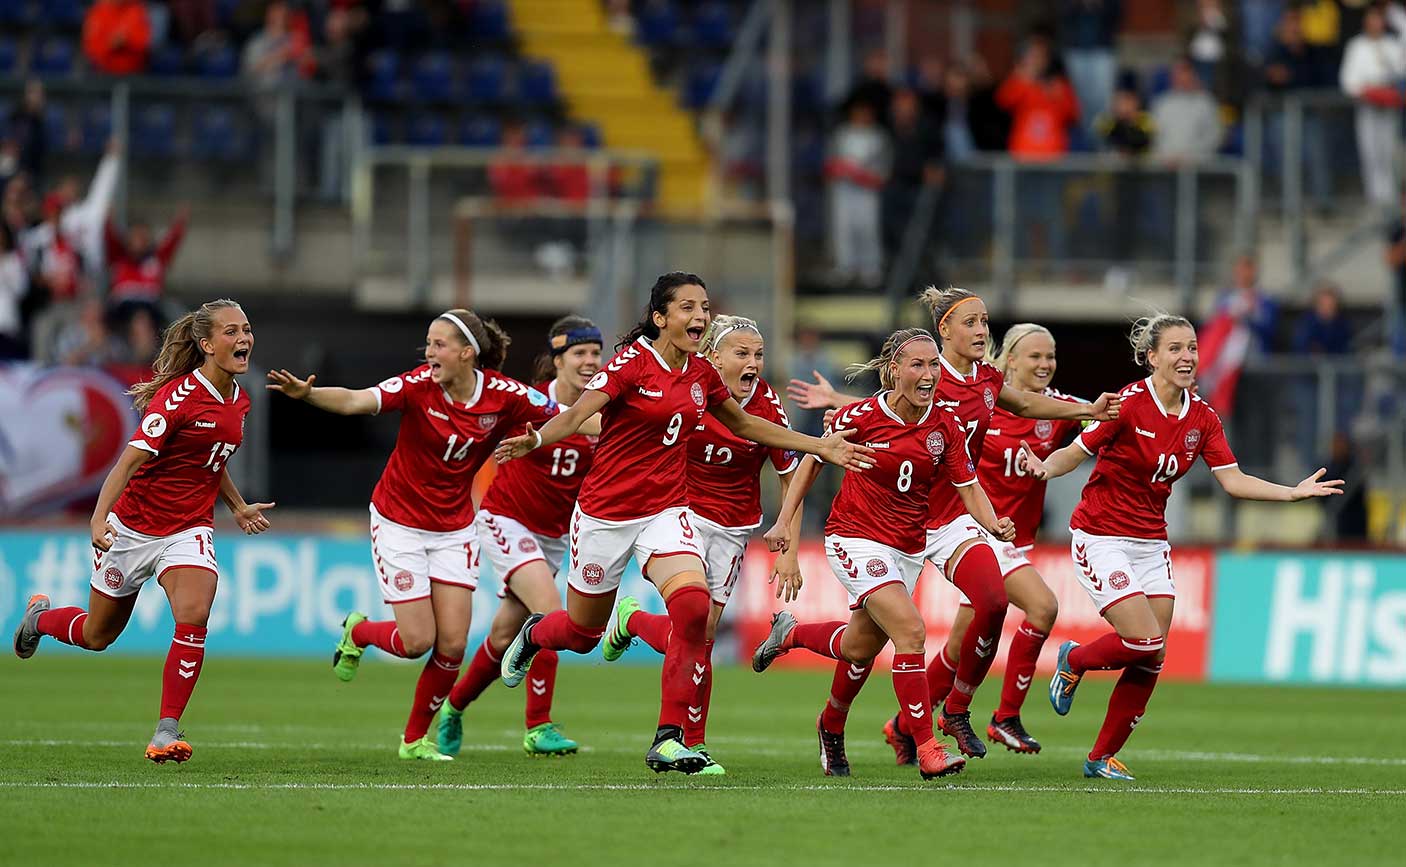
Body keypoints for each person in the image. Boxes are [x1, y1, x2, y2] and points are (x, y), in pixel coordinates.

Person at [491, 272, 872, 775]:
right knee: (583, 633)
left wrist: (817, 445)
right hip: (605, 515)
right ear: (661, 318)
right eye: (688, 308)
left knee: (694, 612)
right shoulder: (630, 366)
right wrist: (536, 440)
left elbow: (745, 424)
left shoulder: (702, 375)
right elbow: (580, 412)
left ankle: (669, 739)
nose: (699, 316)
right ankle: (538, 633)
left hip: (667, 512)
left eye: (704, 307)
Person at [787, 286, 1121, 761]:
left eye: (985, 322)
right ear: (944, 330)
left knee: (992, 600)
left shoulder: (986, 378)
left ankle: (957, 712)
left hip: (954, 517)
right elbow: (884, 409)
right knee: (864, 645)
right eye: (971, 323)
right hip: (891, 524)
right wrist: (837, 401)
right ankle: (846, 712)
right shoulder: (926, 372)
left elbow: (1023, 404)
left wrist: (1088, 409)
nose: (982, 331)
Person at [1021, 314, 1343, 780]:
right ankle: (1074, 658)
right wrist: (1044, 468)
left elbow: (1232, 480)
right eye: (1175, 349)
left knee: (1153, 655)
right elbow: (1077, 451)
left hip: (1151, 542)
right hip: (1102, 536)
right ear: (1152, 357)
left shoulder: (1202, 416)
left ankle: (1100, 757)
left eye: (1191, 348)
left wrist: (1291, 493)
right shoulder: (1127, 404)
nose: (1187, 357)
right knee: (1144, 639)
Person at [266, 308, 566, 761]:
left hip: (453, 528)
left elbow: (570, 415)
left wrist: (630, 428)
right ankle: (360, 632)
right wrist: (307, 395)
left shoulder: (504, 396)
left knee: (452, 644)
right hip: (399, 524)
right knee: (416, 642)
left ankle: (413, 741)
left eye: (439, 344)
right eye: (427, 343)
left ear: (468, 353)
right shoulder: (417, 386)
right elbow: (355, 401)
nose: (429, 352)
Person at [11, 299, 273, 764]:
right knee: (97, 635)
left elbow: (213, 458)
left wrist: (235, 507)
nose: (244, 338)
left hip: (188, 528)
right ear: (207, 344)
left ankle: (166, 729)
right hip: (131, 529)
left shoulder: (240, 399)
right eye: (232, 332)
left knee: (195, 611)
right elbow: (130, 459)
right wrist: (98, 518)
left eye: (247, 329)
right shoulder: (175, 397)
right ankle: (40, 618)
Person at [751, 328, 1014, 780]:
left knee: (858, 648)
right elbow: (812, 461)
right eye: (918, 365)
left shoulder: (944, 425)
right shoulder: (861, 416)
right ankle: (927, 747)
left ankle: (794, 646)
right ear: (894, 370)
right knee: (911, 632)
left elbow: (968, 487)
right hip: (855, 537)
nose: (929, 374)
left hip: (907, 548)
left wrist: (993, 524)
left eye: (934, 365)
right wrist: (784, 523)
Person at [598, 315, 803, 775]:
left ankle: (633, 621)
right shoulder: (689, 391)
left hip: (732, 528)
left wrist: (787, 541)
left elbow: (792, 476)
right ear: (713, 356)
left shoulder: (768, 404)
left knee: (700, 636)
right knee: (698, 630)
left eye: (758, 354)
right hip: (679, 513)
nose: (753, 363)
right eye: (742, 353)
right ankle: (691, 741)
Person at [435, 315, 603, 759]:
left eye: (595, 353)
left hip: (552, 537)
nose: (589, 362)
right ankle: (538, 725)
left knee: (503, 637)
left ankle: (453, 707)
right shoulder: (528, 404)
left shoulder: (601, 414)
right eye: (579, 353)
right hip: (505, 520)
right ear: (557, 360)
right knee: (550, 615)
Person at [933, 323, 1085, 754]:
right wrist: (839, 403)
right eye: (1035, 356)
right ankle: (1005, 717)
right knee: (1042, 607)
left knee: (959, 645)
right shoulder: (983, 399)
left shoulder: (1056, 407)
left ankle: (906, 726)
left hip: (1018, 538)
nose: (1045, 364)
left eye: (1050, 356)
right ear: (1011, 359)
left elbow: (1100, 420)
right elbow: (914, 409)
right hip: (978, 530)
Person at [1340, 2, 1406, 210]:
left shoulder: (1393, 45)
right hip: (1367, 106)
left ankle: (1392, 201)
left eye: (1378, 19)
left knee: (1390, 154)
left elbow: (1401, 73)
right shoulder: (1356, 45)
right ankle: (1376, 201)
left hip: (1390, 108)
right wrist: (1368, 92)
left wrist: (1389, 91)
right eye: (1371, 20)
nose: (1375, 24)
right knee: (1370, 154)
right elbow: (1348, 81)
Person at [105, 206, 189, 322]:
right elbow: (109, 237)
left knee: (176, 313)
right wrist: (108, 218)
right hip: (123, 308)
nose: (138, 242)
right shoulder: (119, 257)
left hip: (151, 307)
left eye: (142, 238)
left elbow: (171, 243)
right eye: (135, 237)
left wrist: (180, 222)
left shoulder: (156, 259)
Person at [1150, 58, 1224, 163]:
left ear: (1192, 74)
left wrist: (1189, 156)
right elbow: (1155, 135)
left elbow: (1215, 136)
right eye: (1175, 73)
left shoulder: (1206, 103)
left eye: (1183, 72)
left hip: (1198, 168)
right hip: (1166, 166)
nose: (1179, 77)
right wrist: (1168, 156)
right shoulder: (1161, 103)